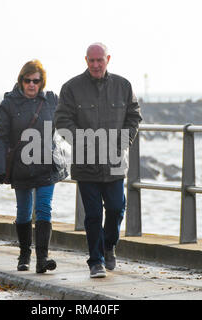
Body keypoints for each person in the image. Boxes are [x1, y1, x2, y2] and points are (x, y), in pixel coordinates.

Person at [54, 43, 142, 278]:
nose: (95, 65)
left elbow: (134, 116)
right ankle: (96, 262)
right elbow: (62, 121)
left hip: (114, 162)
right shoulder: (71, 88)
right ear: (86, 60)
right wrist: (85, 143)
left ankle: (109, 245)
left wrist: (123, 143)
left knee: (115, 208)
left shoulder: (123, 86)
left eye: (99, 60)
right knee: (92, 215)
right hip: (86, 164)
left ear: (108, 59)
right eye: (91, 61)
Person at [0, 59, 68, 273]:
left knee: (44, 208)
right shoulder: (9, 104)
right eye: (28, 81)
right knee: (24, 212)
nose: (32, 85)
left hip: (46, 166)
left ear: (42, 82)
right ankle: (24, 254)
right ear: (21, 81)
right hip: (21, 167)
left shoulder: (52, 100)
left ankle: (42, 259)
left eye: (36, 81)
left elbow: (70, 120)